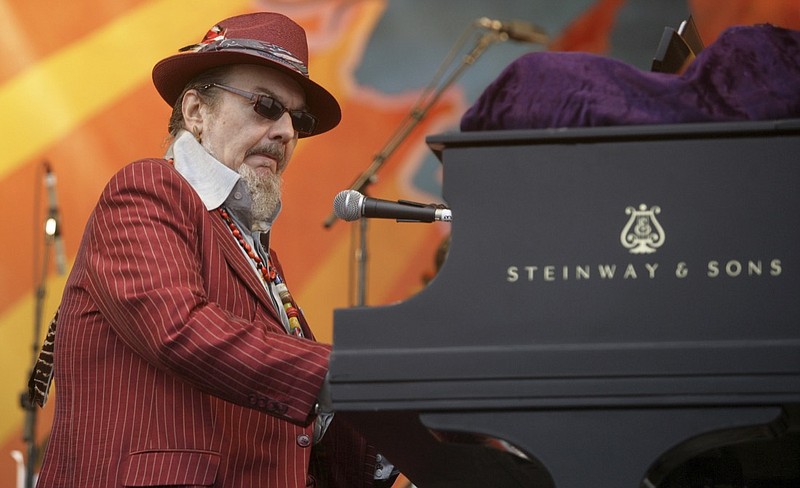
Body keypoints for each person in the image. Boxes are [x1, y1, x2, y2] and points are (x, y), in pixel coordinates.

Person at [29, 12, 396, 488]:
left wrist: (416, 421)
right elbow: (179, 328)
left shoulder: (246, 238)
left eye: (297, 118)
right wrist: (353, 373)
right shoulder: (148, 189)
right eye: (266, 105)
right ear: (196, 111)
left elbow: (291, 417)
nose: (287, 131)